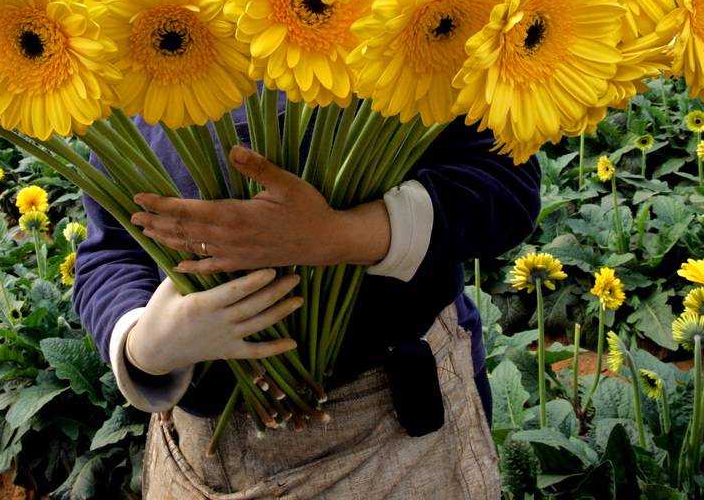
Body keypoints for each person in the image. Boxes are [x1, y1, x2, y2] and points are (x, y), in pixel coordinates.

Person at [74, 110, 541, 499]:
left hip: (390, 419)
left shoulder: (405, 15)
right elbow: (110, 249)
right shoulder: (126, 68)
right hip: (199, 449)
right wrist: (143, 346)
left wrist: (339, 235)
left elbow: (504, 180)